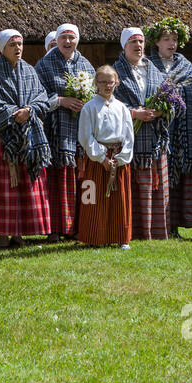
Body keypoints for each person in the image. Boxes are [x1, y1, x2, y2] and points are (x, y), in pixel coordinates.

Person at [0, 29, 53, 247]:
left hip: (28, 139)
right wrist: (12, 114)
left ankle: (19, 234)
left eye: (20, 44)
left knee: (23, 187)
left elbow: (42, 97)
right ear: (3, 49)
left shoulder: (29, 70)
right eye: (13, 45)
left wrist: (29, 110)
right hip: (3, 139)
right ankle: (2, 235)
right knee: (4, 190)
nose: (18, 48)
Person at [34, 22, 94, 243]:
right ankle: (55, 228)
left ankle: (79, 227)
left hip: (80, 132)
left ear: (77, 40)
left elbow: (95, 93)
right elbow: (36, 99)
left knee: (82, 181)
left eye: (72, 38)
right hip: (55, 132)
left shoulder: (86, 65)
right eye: (64, 38)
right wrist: (61, 101)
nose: (68, 42)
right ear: (57, 40)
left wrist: (85, 102)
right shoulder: (45, 64)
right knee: (56, 182)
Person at [113, 27, 173, 240]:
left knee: (155, 187)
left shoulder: (155, 70)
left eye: (140, 42)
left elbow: (171, 100)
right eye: (133, 42)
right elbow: (108, 104)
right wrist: (133, 113)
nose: (138, 46)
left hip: (154, 140)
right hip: (130, 139)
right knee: (134, 186)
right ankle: (134, 231)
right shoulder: (116, 71)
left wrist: (161, 110)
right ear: (124, 46)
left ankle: (155, 231)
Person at [147, 17, 192, 237]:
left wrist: (177, 92)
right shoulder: (148, 64)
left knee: (178, 178)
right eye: (166, 39)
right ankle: (158, 225)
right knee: (160, 177)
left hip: (182, 133)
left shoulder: (186, 66)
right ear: (157, 42)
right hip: (159, 129)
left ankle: (176, 226)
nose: (171, 44)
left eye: (175, 39)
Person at [74, 65, 134, 249]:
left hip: (118, 158)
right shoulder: (89, 107)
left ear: (116, 82)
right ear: (96, 84)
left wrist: (120, 158)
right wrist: (101, 158)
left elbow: (128, 135)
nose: (107, 86)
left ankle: (121, 237)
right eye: (103, 82)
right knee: (92, 197)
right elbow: (85, 136)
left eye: (111, 81)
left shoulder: (122, 107)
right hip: (96, 160)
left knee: (119, 199)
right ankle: (92, 236)